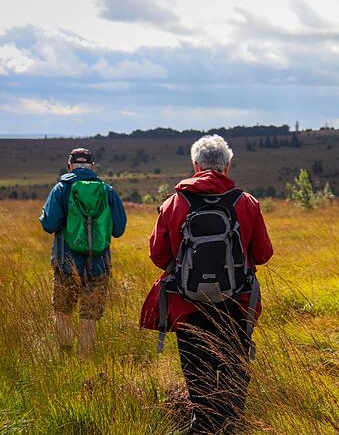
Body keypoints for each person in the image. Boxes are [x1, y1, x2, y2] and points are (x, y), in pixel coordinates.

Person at [141, 135, 273, 433]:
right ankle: (231, 426)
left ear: (195, 165)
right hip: (236, 307)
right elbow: (263, 254)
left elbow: (158, 254)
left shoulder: (175, 203)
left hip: (188, 306)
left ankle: (202, 426)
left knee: (199, 387)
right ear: (227, 166)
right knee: (233, 384)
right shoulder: (246, 203)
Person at [39, 148, 127, 357]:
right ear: (92, 167)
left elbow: (49, 224)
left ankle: (66, 356)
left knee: (62, 311)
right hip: (99, 265)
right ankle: (85, 358)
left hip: (65, 263)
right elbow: (119, 229)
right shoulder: (107, 191)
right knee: (90, 315)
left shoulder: (61, 189)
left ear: (69, 166)